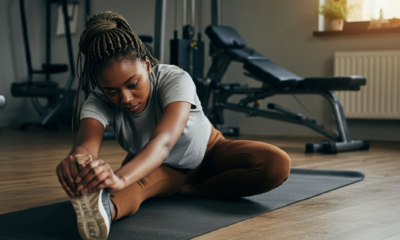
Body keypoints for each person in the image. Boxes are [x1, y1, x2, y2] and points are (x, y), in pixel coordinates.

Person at [56, 11, 291, 240]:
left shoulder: (173, 78)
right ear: (100, 86)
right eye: (112, 91)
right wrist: (77, 161)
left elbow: (163, 141)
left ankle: (194, 190)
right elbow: (87, 144)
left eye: (133, 83)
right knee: (128, 191)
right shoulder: (97, 101)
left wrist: (120, 178)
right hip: (161, 167)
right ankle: (103, 211)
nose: (125, 98)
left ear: (147, 66)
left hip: (209, 150)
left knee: (276, 163)